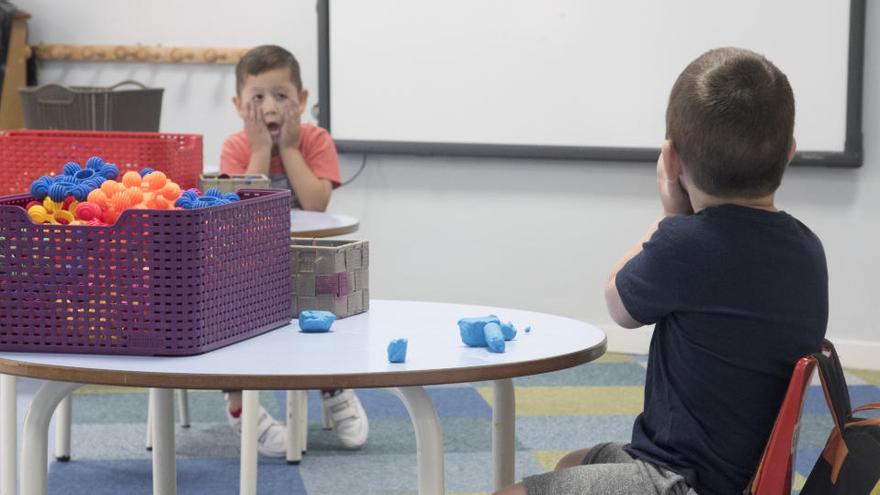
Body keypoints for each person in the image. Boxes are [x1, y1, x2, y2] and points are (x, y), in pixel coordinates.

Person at [496, 47, 828, 495]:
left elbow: (618, 304)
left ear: (670, 160)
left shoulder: (685, 243)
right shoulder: (807, 248)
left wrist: (672, 217)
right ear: (788, 153)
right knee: (576, 462)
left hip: (678, 480)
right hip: (742, 472)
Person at [219, 44, 368, 456]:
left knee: (330, 310)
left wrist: (288, 148)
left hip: (309, 262)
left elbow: (316, 203)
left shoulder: (316, 140)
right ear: (239, 105)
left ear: (301, 101)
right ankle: (238, 405)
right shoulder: (236, 148)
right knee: (227, 319)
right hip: (248, 267)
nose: (270, 107)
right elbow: (241, 211)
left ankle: (334, 384)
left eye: (282, 96)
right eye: (258, 98)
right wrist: (261, 151)